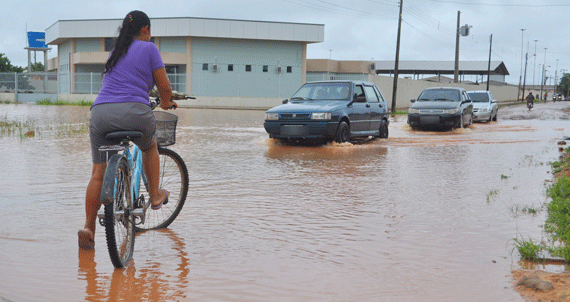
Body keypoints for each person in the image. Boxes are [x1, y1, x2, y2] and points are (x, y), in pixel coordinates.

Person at [78, 10, 177, 249]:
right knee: (149, 145)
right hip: (136, 113)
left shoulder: (116, 51)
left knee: (97, 175)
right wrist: (166, 102)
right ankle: (154, 195)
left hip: (101, 114)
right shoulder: (150, 49)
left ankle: (89, 227)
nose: (150, 36)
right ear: (145, 30)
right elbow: (164, 87)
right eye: (149, 32)